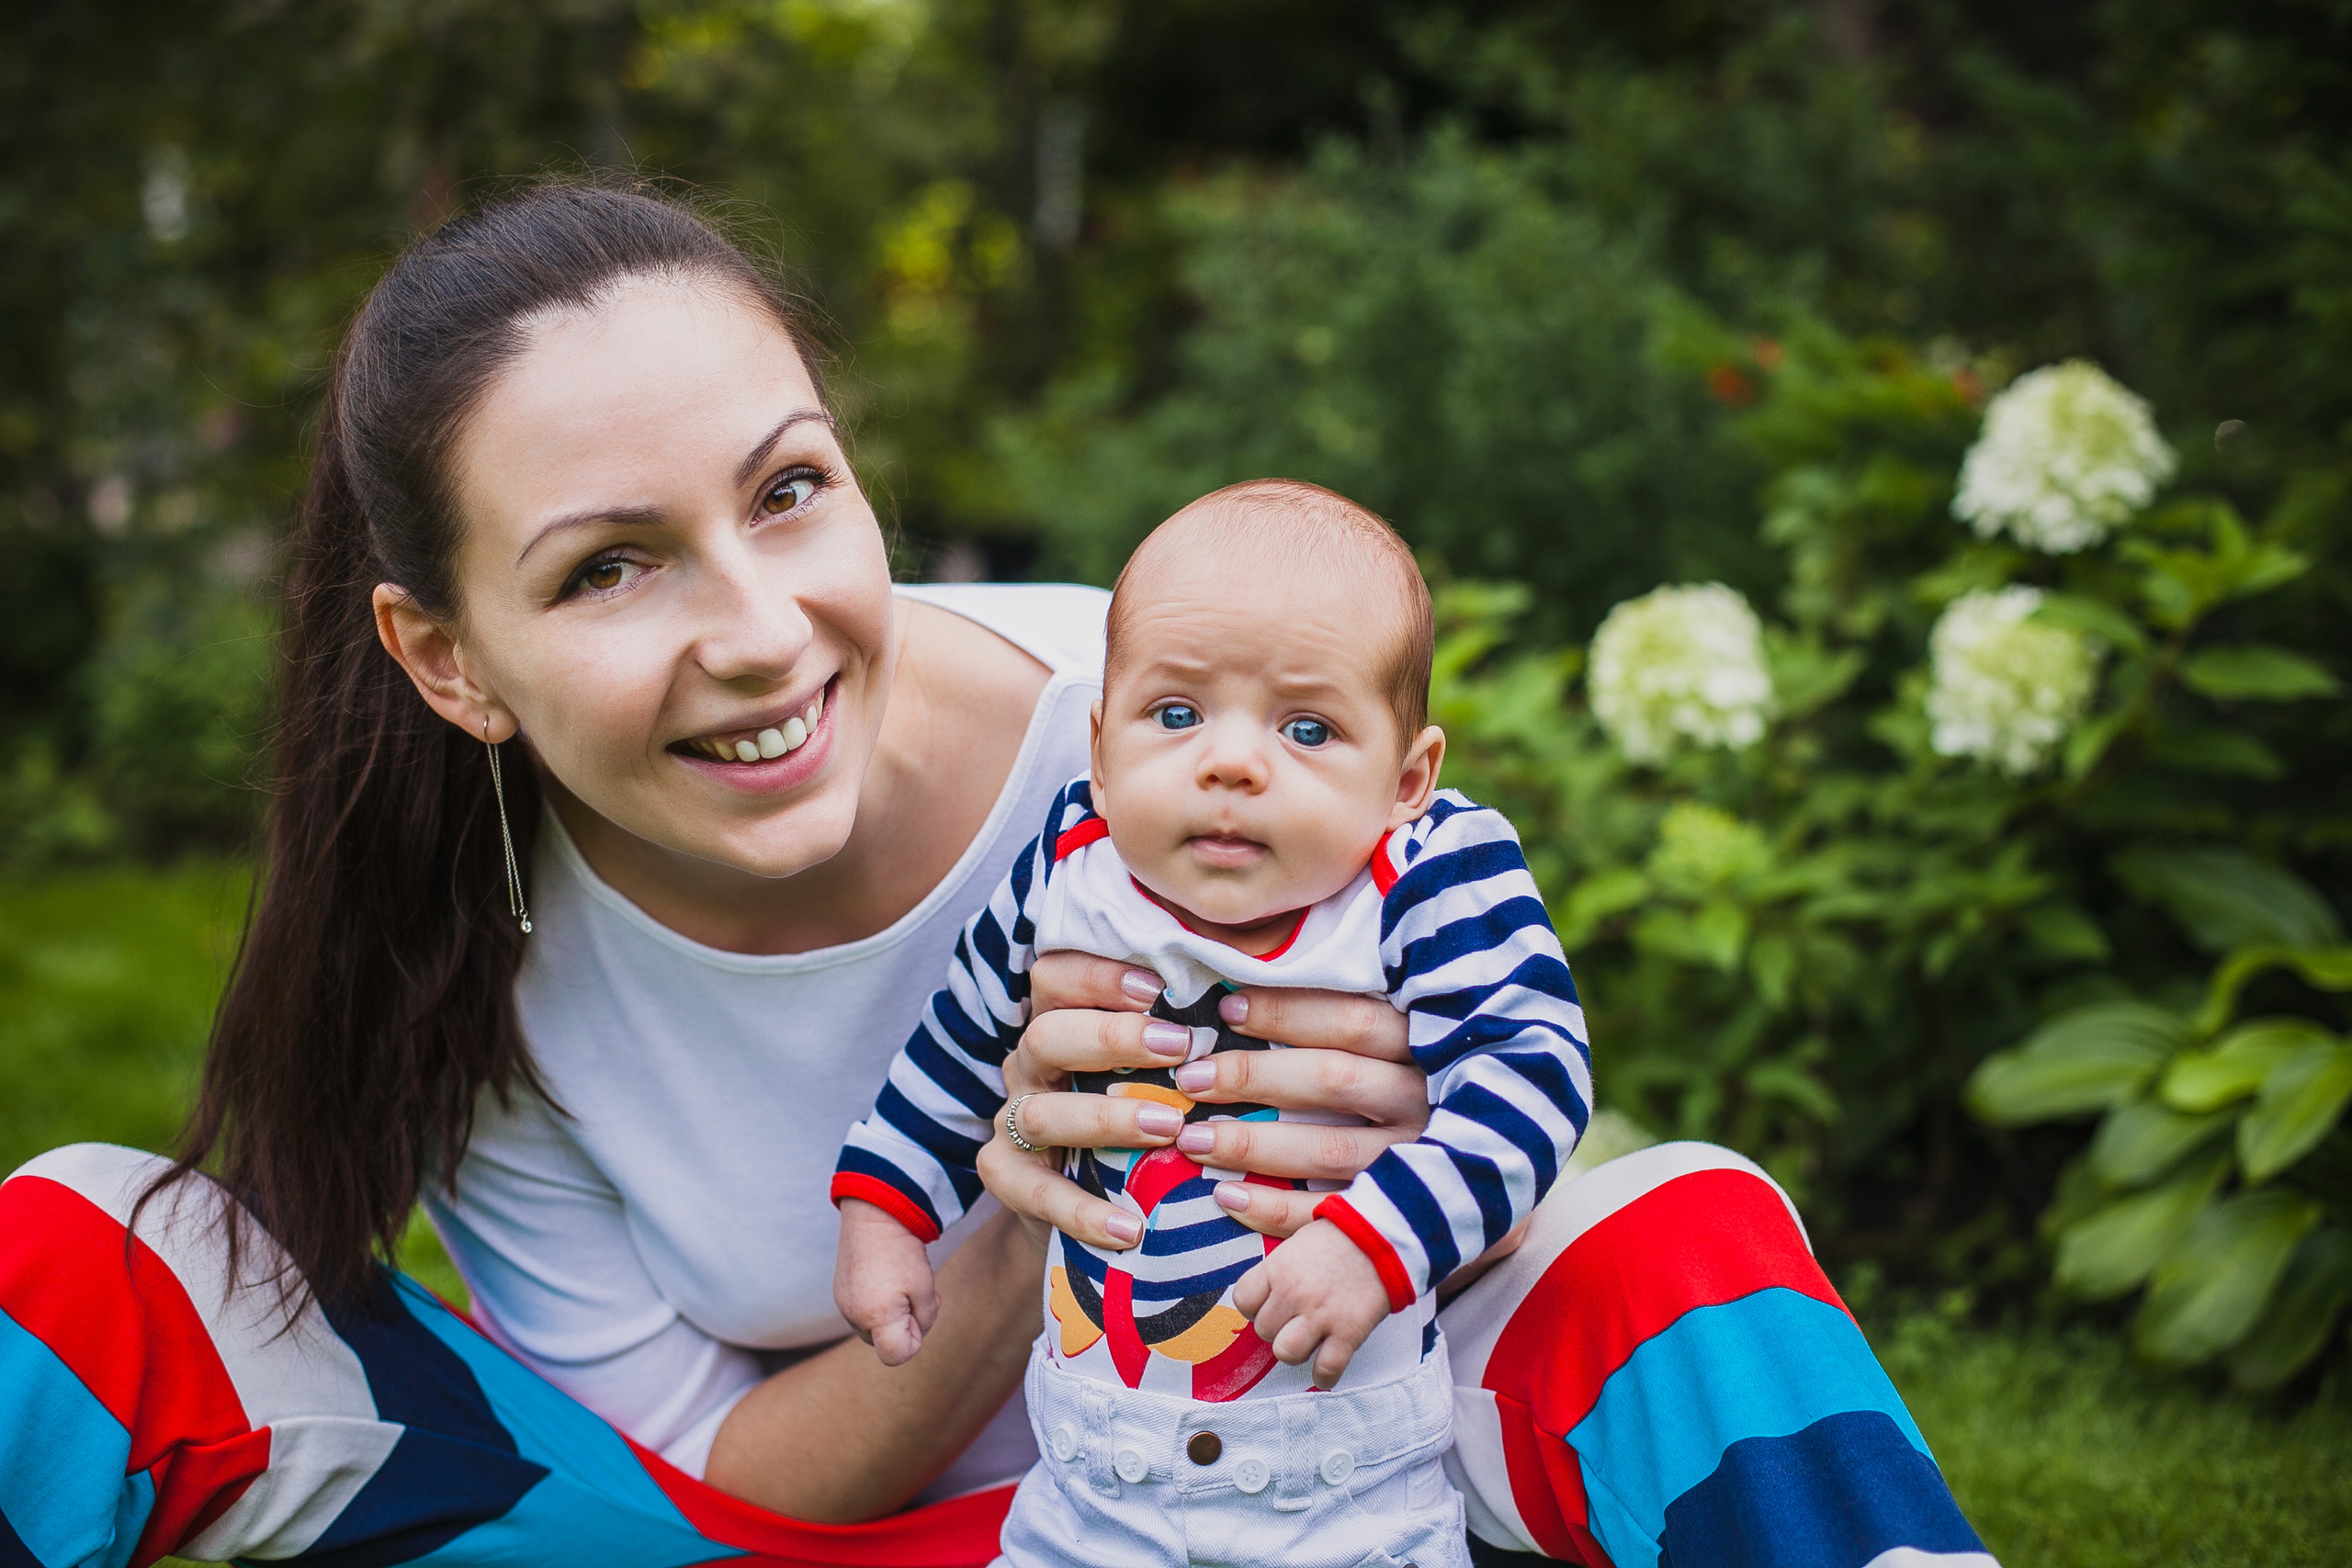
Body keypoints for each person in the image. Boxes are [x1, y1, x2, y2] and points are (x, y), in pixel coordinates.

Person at [0, 182, 1996, 1568]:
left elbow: (1480, 1119)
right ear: (448, 660)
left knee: (1670, 1232)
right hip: (804, 1538)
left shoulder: (1146, 739)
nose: (762, 631)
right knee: (91, 1248)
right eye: (609, 565)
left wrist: (1402, 1183)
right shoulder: (465, 944)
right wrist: (1017, 1225)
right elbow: (720, 1478)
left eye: (789, 492)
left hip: (1303, 1479)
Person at [832, 480, 1593, 1568]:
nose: (1232, 763)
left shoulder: (1428, 875)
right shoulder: (1072, 862)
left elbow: (1533, 1073)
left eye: (1308, 727)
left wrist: (1373, 1242)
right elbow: (959, 1042)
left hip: (1345, 1490)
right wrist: (882, 1210)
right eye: (1178, 714)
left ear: (1407, 778)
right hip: (1094, 1485)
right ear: (1100, 749)